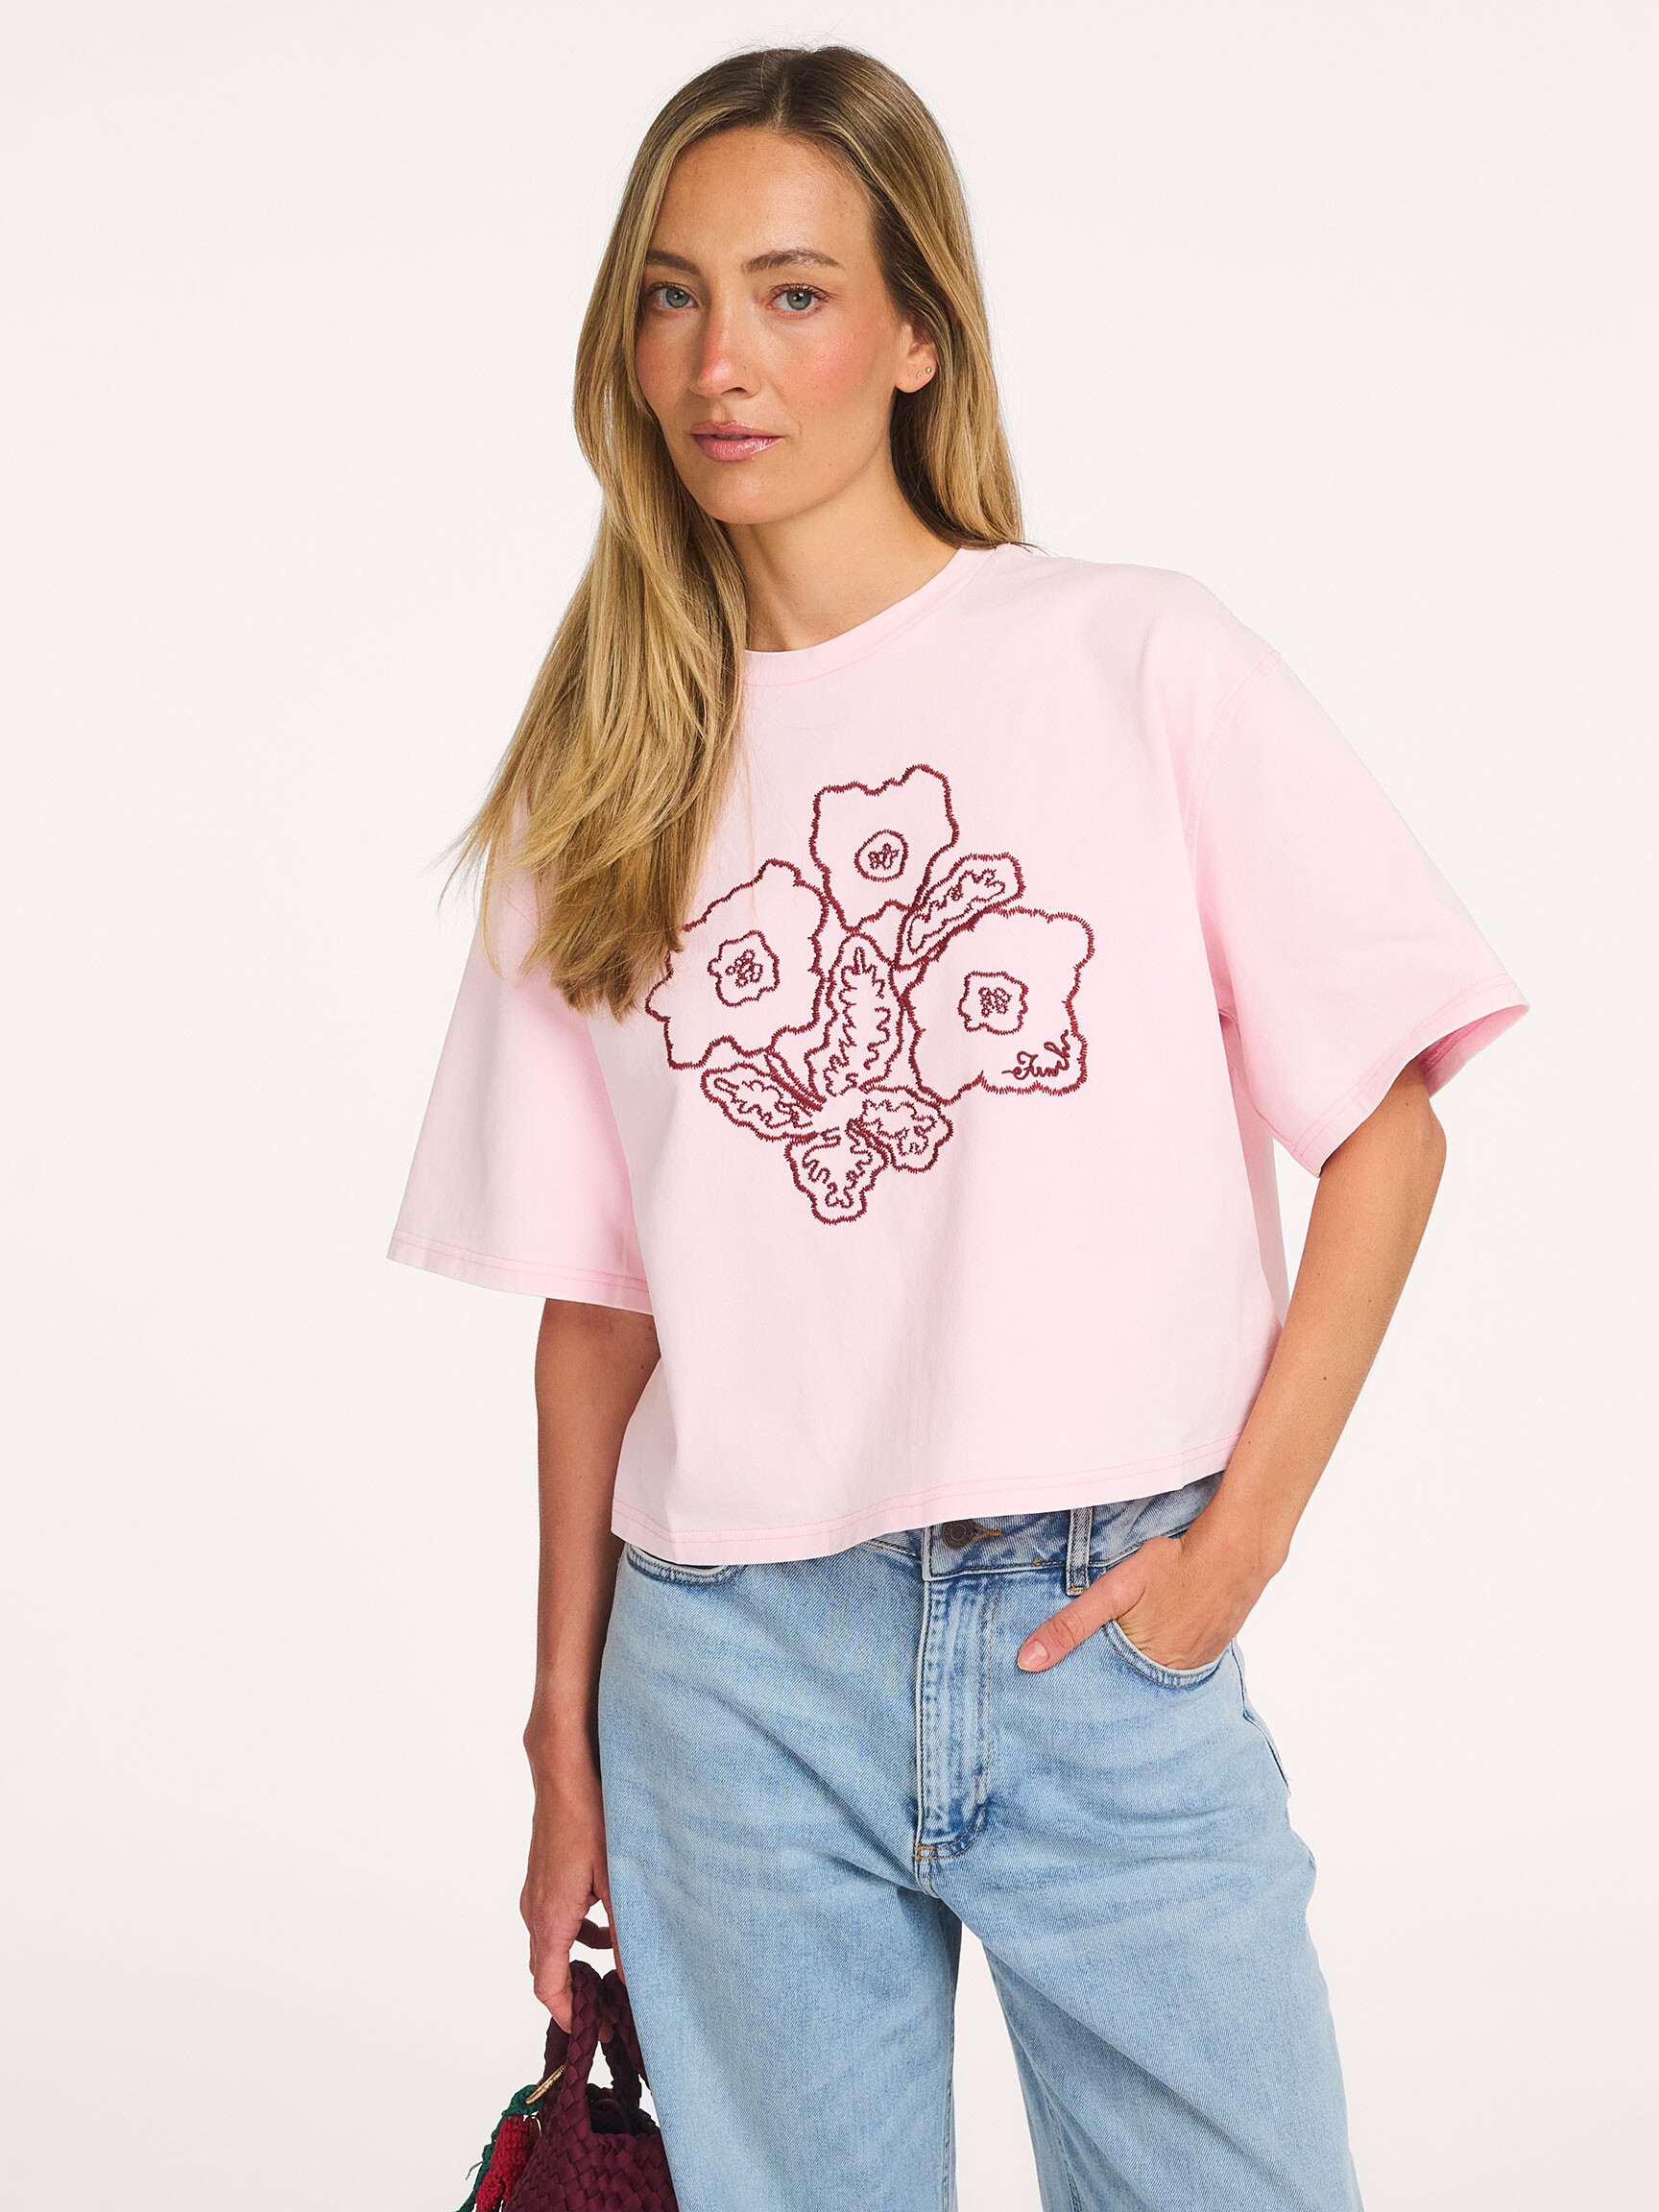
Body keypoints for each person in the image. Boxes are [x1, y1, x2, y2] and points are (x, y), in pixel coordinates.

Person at [388, 43, 1527, 2212]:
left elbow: (1388, 1129)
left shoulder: (1133, 661)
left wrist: (1239, 1553)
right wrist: (563, 1729)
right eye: (672, 294)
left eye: (794, 294)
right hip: (723, 1678)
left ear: (918, 333)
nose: (719, 361)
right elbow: (599, 1310)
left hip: (1104, 1632)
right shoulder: (601, 770)